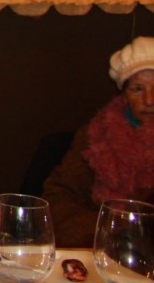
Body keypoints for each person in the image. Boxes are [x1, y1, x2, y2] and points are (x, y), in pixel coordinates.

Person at [41, 35, 154, 246]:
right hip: (100, 247)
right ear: (124, 94)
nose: (149, 100)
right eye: (138, 89)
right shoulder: (97, 134)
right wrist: (108, 232)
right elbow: (59, 194)